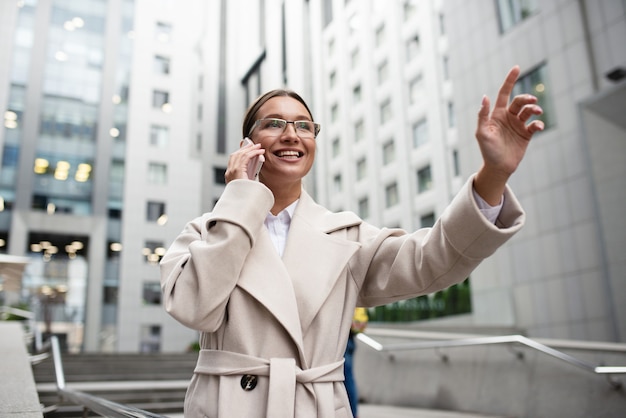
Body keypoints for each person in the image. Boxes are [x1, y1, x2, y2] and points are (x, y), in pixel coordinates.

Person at [160, 65, 544, 418]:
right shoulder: (203, 233)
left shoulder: (346, 236)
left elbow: (432, 259)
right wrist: (241, 198)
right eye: (274, 123)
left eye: (305, 126)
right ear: (249, 143)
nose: (292, 135)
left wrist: (493, 174)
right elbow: (195, 308)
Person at [344, 307, 368, 417]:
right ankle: (352, 413)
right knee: (348, 379)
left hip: (344, 338)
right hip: (349, 338)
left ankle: (352, 414)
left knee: (347, 379)